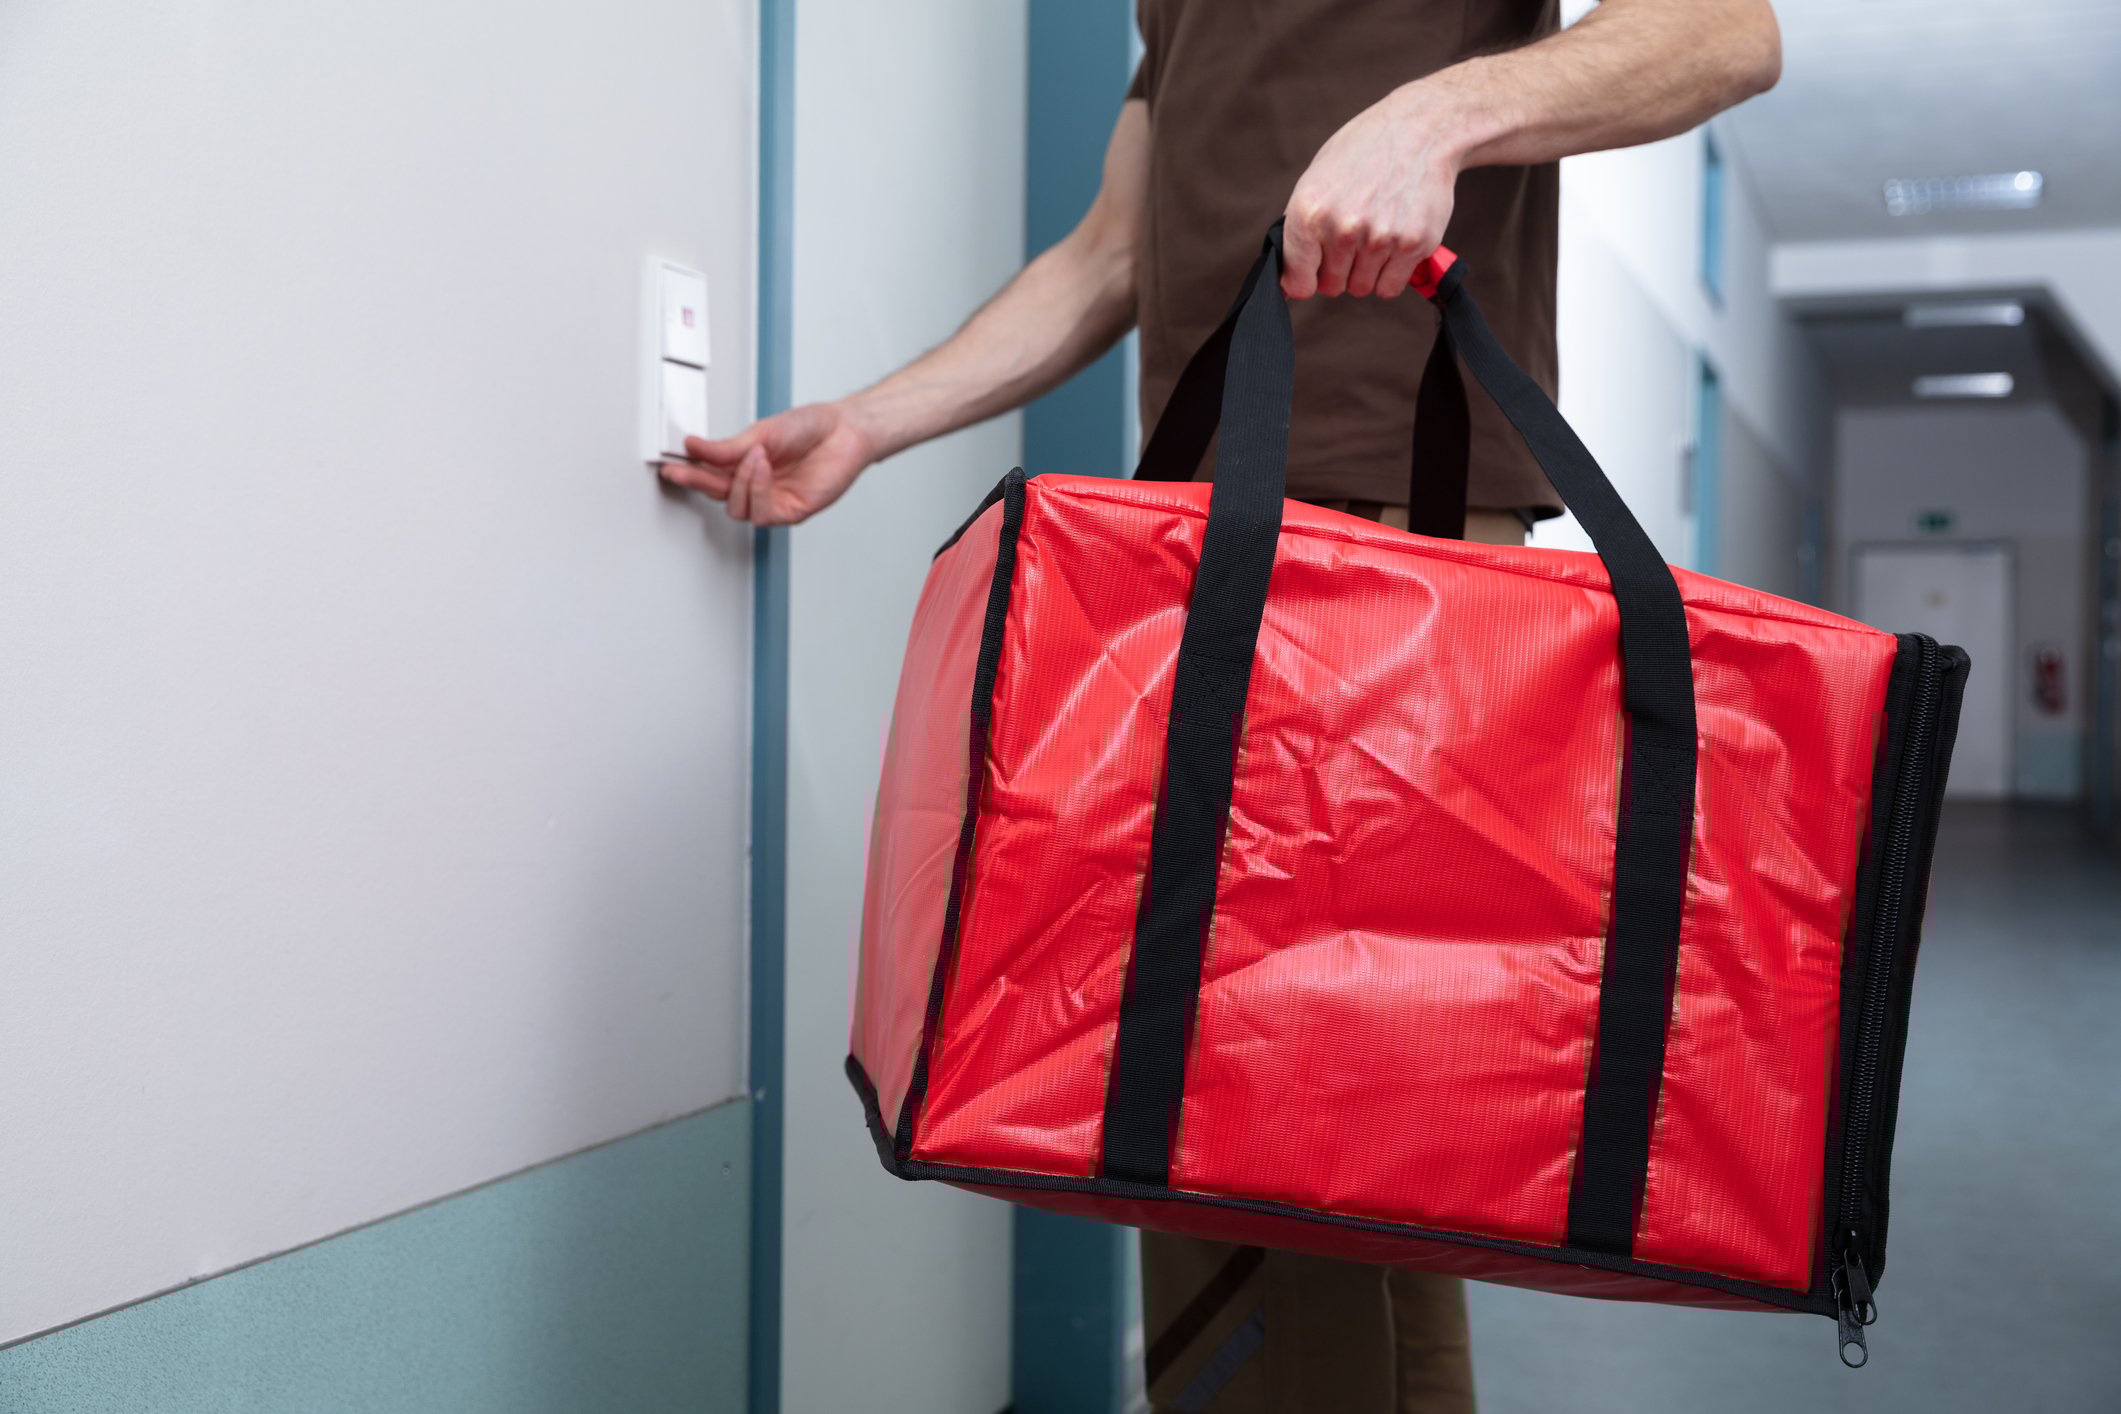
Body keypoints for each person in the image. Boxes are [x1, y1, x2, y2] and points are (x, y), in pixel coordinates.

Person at [662, 0, 1780, 1407]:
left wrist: (1433, 119)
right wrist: (874, 421)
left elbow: (1726, 31)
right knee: (1360, 1171)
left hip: (1385, 549)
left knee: (1232, 1132)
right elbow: (1111, 251)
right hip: (1225, 552)